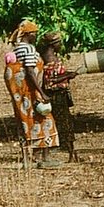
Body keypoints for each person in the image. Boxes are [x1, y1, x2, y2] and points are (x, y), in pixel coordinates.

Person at [4, 20, 60, 168]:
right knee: (45, 120)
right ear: (29, 34)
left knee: (25, 122)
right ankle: (45, 158)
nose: (36, 35)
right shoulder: (28, 49)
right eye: (34, 33)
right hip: (30, 92)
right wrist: (41, 92)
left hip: (22, 96)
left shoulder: (17, 49)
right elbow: (30, 71)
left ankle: (28, 159)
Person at [39, 31, 77, 163]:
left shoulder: (50, 56)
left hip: (58, 94)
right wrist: (68, 75)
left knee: (58, 123)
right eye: (59, 42)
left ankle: (71, 154)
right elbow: (50, 80)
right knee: (64, 124)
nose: (61, 45)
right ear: (53, 44)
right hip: (56, 95)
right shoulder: (49, 58)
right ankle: (70, 154)